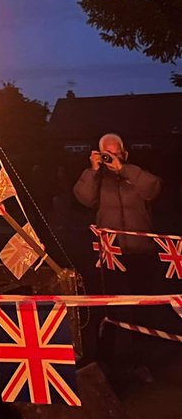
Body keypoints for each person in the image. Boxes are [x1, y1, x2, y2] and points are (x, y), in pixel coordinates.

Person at [74, 133, 162, 364]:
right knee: (108, 310)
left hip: (140, 252)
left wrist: (124, 169)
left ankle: (142, 361)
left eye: (116, 153)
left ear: (125, 154)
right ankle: (106, 362)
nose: (111, 158)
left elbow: (153, 189)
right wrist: (93, 171)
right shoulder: (98, 180)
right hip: (111, 256)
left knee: (142, 310)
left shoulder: (136, 175)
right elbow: (84, 197)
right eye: (106, 154)